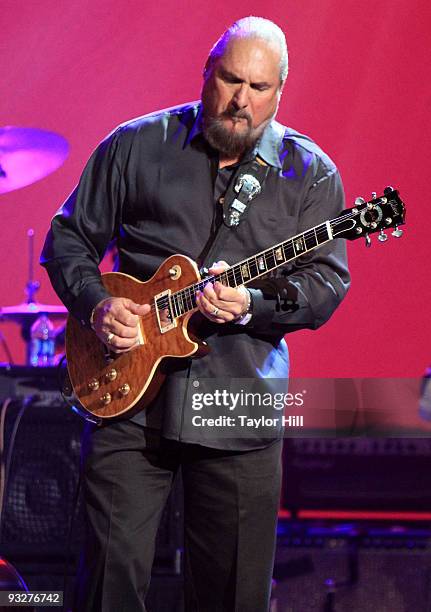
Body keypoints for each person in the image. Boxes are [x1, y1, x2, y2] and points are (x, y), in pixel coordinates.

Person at [41, 16, 350, 612]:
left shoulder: (311, 174)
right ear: (206, 72)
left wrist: (253, 305)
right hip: (125, 395)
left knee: (232, 596)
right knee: (108, 587)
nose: (240, 101)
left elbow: (326, 284)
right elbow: (68, 240)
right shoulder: (135, 145)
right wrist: (98, 305)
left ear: (280, 92)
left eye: (258, 89)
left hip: (238, 400)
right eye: (230, 80)